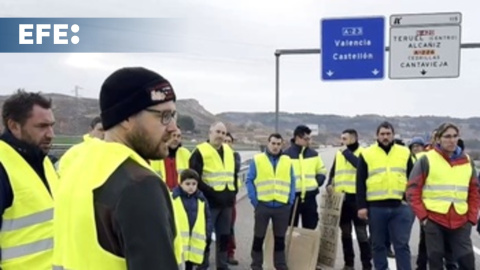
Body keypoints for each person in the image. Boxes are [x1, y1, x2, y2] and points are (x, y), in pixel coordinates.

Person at [52, 67, 184, 269]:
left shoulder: (77, 163)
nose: (174, 128)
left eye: (174, 116)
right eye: (164, 116)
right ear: (125, 118)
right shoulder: (138, 184)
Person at [407, 123, 479, 270]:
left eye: (454, 136)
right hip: (434, 219)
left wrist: (471, 217)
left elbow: (474, 191)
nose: (452, 140)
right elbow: (412, 190)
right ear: (438, 139)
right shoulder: (426, 159)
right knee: (435, 260)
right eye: (447, 136)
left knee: (467, 261)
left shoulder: (467, 161)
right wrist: (423, 217)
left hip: (460, 219)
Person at [0, 90, 58, 269]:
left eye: (51, 125)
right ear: (14, 126)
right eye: (42, 126)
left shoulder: (44, 162)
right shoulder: (3, 165)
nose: (51, 134)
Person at [356, 121, 414, 270]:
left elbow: (412, 179)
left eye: (388, 134)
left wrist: (411, 202)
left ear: (393, 135)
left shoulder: (404, 152)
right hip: (376, 207)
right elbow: (360, 182)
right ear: (377, 136)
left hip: (400, 207)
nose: (385, 137)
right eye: (382, 134)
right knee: (378, 244)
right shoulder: (367, 153)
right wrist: (361, 206)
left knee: (401, 245)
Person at [189, 121, 239, 270]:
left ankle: (222, 266)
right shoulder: (199, 151)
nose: (221, 136)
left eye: (223, 133)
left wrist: (233, 191)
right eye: (218, 132)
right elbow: (194, 177)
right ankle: (202, 265)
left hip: (227, 204)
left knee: (224, 237)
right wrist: (211, 193)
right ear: (210, 132)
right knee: (204, 237)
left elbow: (233, 174)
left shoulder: (229, 152)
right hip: (209, 203)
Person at [246, 133, 295, 270]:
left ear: (282, 145)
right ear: (268, 143)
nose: (275, 146)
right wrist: (255, 201)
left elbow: (292, 181)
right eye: (273, 143)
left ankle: (280, 265)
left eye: (278, 144)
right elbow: (249, 180)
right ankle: (256, 264)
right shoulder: (258, 159)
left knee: (280, 239)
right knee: (258, 237)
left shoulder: (287, 161)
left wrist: (289, 201)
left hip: (282, 207)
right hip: (263, 205)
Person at [327, 129, 372, 270]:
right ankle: (349, 263)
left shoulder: (364, 153)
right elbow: (333, 172)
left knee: (361, 234)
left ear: (354, 138)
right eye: (341, 139)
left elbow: (360, 166)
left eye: (345, 139)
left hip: (357, 199)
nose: (342, 142)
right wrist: (329, 183)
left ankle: (366, 264)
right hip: (342, 200)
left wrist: (347, 152)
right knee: (345, 233)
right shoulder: (339, 153)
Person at [284, 125, 326, 229]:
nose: (309, 141)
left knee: (310, 228)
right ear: (297, 138)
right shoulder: (285, 155)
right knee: (290, 228)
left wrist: (317, 182)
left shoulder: (314, 154)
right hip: (292, 198)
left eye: (309, 138)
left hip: (310, 198)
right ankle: (292, 246)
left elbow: (321, 170)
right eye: (306, 139)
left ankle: (307, 246)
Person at [172, 169, 212, 270]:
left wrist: (207, 235)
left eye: (194, 184)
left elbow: (208, 218)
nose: (191, 187)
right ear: (180, 183)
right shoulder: (173, 198)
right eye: (187, 184)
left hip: (194, 244)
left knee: (190, 266)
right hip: (179, 244)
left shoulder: (201, 199)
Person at [224, 132, 240, 265]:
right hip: (213, 198)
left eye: (229, 141)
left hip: (230, 197)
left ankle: (230, 253)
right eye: (225, 141)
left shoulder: (235, 156)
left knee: (229, 227)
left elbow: (235, 169)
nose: (227, 144)